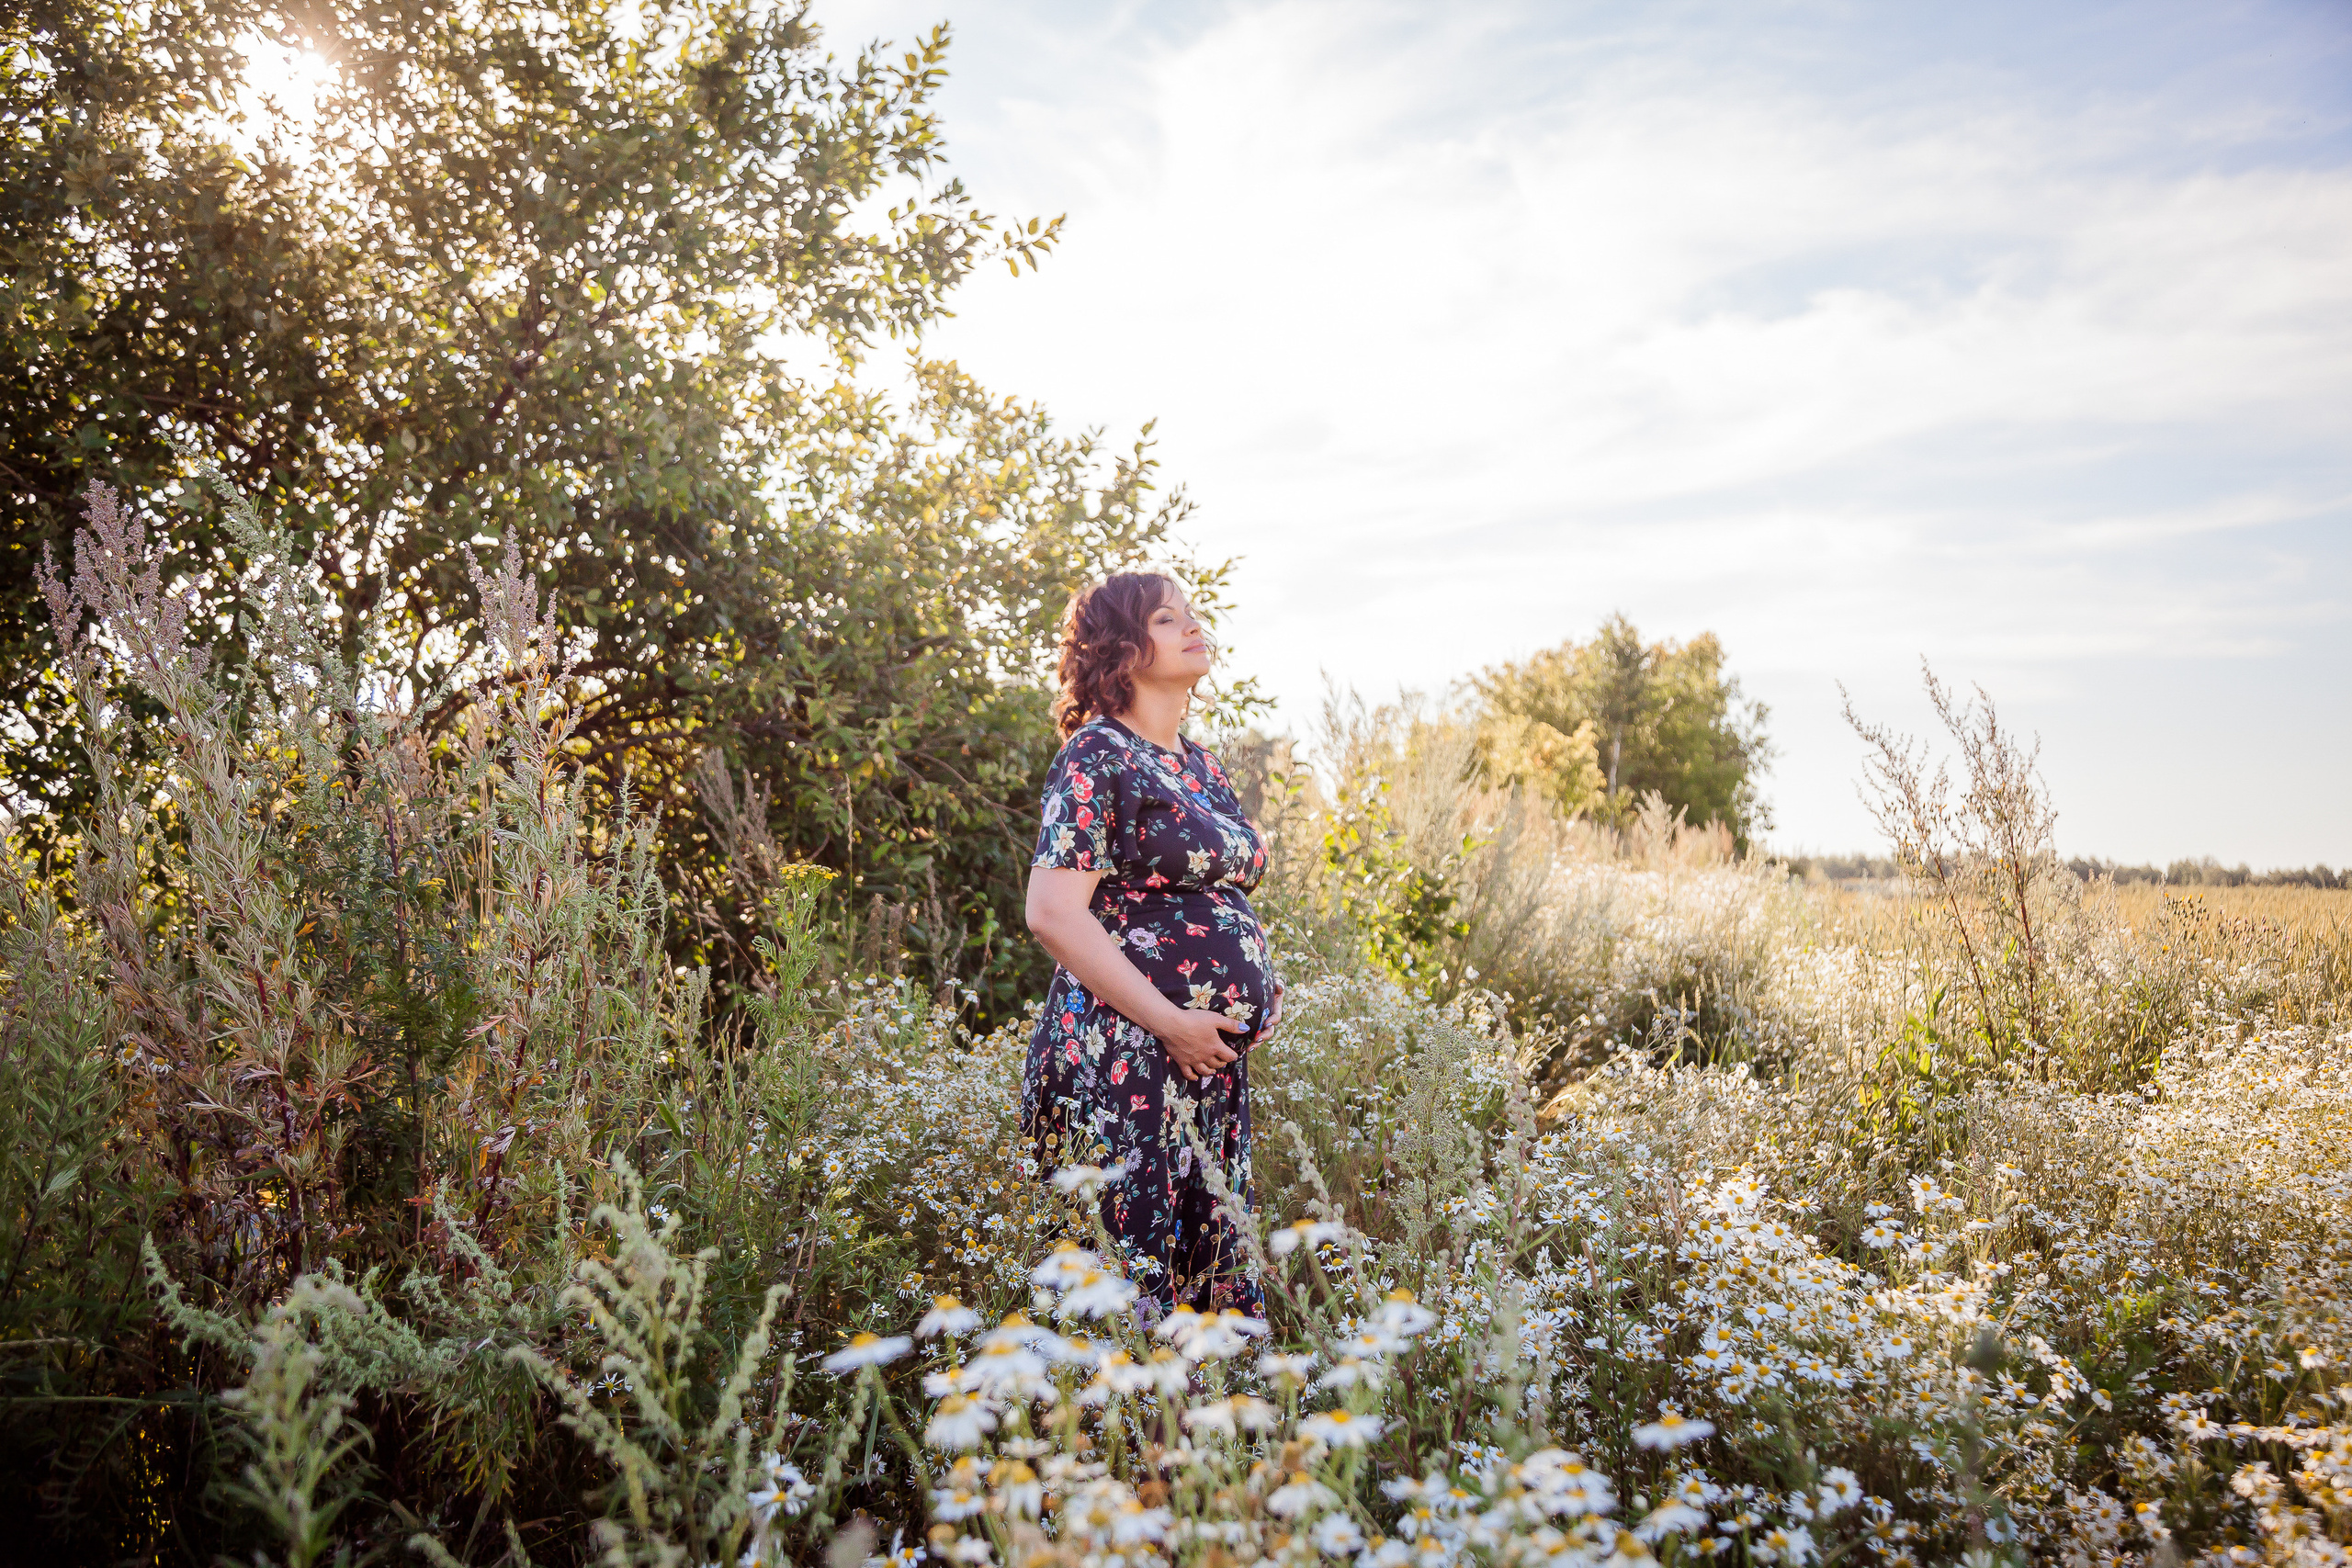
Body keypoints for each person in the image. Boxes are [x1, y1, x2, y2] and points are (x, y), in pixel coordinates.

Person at [1023, 572, 1282, 1321]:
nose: (1194, 627)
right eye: (1169, 619)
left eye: (1191, 615)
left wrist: (1248, 982)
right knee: (1126, 1286)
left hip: (1203, 1063)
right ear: (1122, 649)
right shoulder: (1098, 755)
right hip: (1128, 1052)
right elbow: (1052, 912)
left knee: (1206, 1278)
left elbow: (1211, 886)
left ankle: (1207, 1403)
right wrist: (1171, 1021)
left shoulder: (1201, 765)